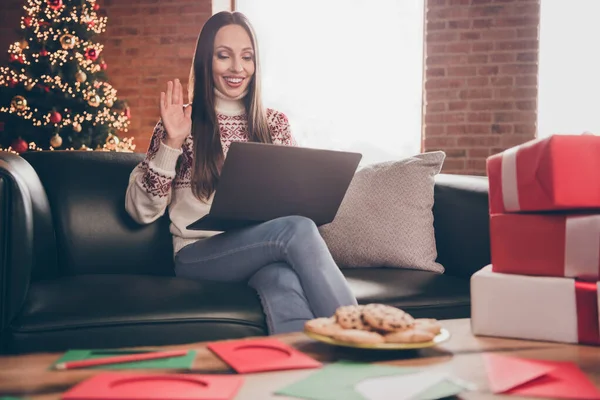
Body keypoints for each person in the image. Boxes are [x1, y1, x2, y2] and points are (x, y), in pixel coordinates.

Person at [124, 11, 357, 334]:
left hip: (262, 251)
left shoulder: (275, 124)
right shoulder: (181, 121)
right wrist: (172, 142)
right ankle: (366, 335)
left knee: (283, 280)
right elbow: (141, 212)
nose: (237, 68)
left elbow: (296, 202)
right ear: (206, 61)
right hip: (198, 255)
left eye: (247, 57)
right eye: (224, 56)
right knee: (298, 230)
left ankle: (297, 372)